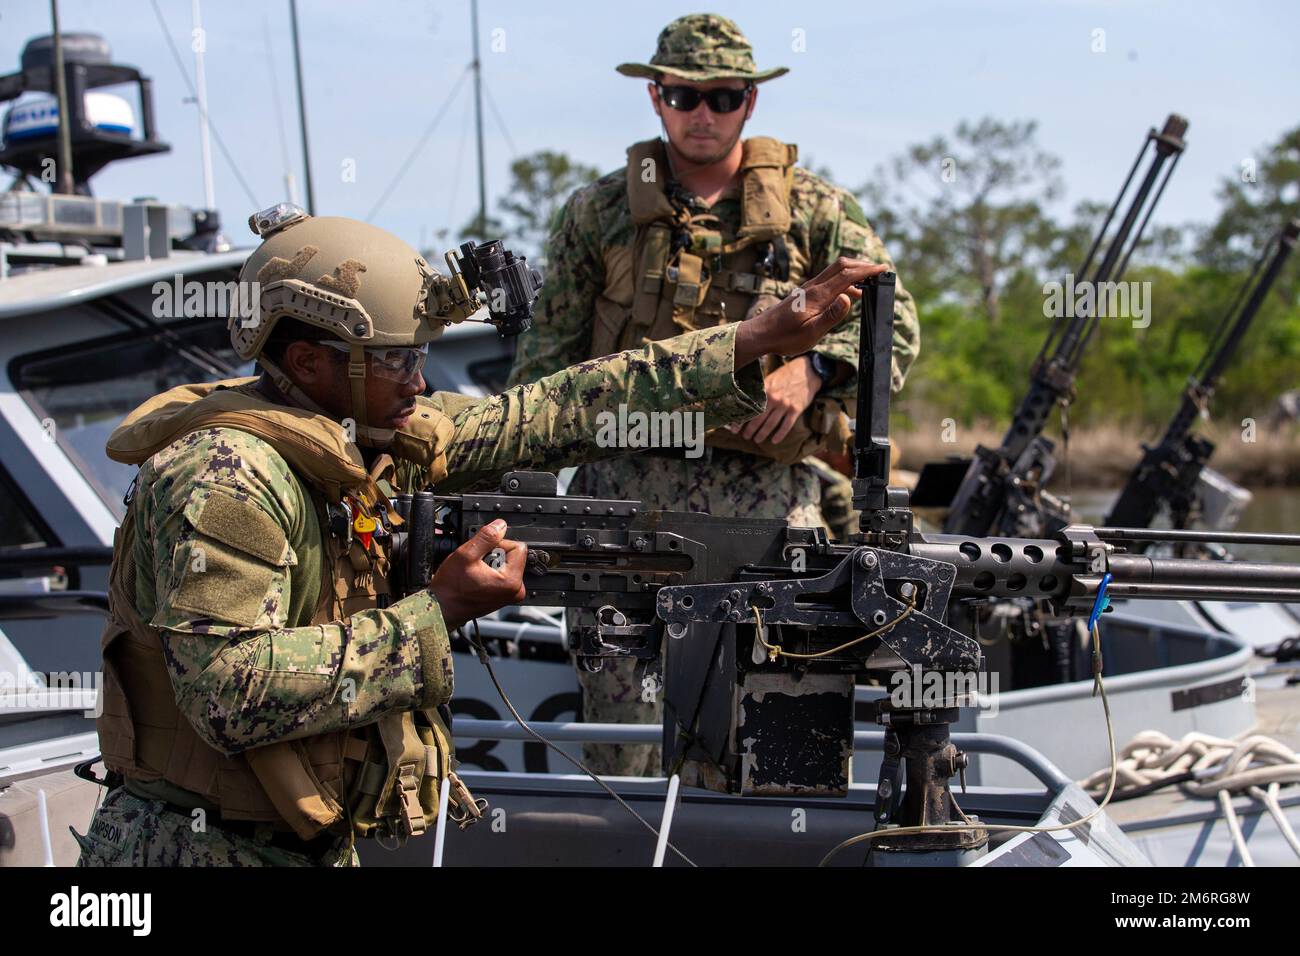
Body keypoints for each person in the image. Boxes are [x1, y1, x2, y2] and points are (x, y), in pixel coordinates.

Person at [73, 204, 886, 866]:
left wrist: (750, 342)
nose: (421, 382)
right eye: (398, 360)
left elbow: (553, 412)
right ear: (310, 362)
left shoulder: (366, 440)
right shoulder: (229, 475)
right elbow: (226, 692)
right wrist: (437, 613)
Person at [508, 13, 921, 775]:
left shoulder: (817, 212)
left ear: (750, 104)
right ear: (656, 99)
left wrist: (816, 368)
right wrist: (509, 495)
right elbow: (542, 371)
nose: (703, 114)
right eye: (684, 95)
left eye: (724, 97)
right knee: (623, 748)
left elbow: (892, 323)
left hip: (765, 519)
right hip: (619, 519)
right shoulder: (597, 214)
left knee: (774, 745)